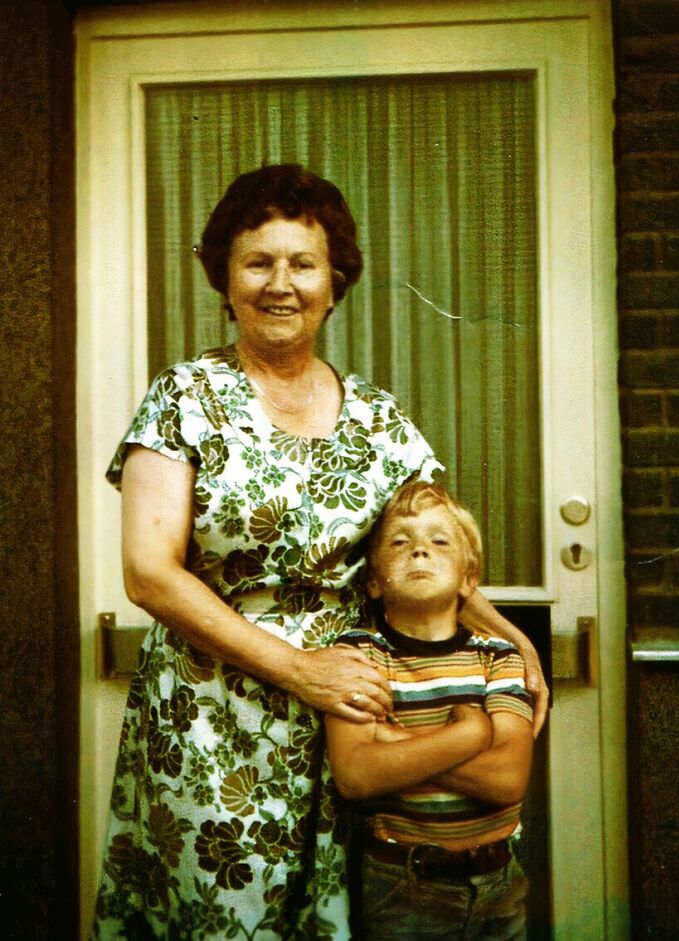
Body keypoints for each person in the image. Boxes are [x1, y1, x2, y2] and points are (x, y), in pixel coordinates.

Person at [92, 164, 546, 941]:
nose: (281, 283)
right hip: (213, 720)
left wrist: (507, 635)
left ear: (334, 284)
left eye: (302, 263)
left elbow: (429, 543)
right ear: (224, 278)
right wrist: (299, 668)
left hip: (363, 723)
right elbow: (149, 572)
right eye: (257, 261)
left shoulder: (377, 414)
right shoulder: (186, 396)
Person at [326, 480, 533, 941]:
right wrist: (469, 735)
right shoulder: (358, 656)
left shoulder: (498, 658)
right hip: (402, 885)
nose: (420, 550)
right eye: (400, 542)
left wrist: (396, 742)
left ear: (468, 579)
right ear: (374, 582)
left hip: (499, 881)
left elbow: (507, 781)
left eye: (440, 541)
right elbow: (356, 775)